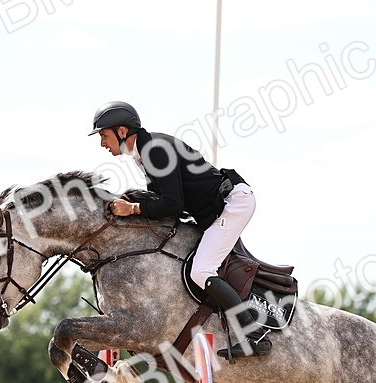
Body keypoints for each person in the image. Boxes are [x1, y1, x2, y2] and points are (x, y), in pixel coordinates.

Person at [89, 100, 271, 360]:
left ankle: (255, 333)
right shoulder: (146, 151)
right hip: (216, 208)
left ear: (121, 131)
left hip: (232, 205)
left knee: (201, 270)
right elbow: (163, 202)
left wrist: (132, 209)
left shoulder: (155, 150)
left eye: (104, 135)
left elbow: (172, 204)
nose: (102, 143)